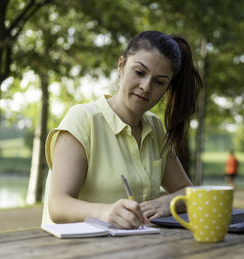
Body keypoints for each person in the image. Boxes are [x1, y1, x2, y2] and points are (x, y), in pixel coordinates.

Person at [42, 31, 203, 229]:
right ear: (121, 66)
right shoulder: (83, 119)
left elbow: (189, 192)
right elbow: (58, 206)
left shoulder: (155, 128)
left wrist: (166, 203)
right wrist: (105, 212)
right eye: (139, 72)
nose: (146, 87)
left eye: (159, 82)